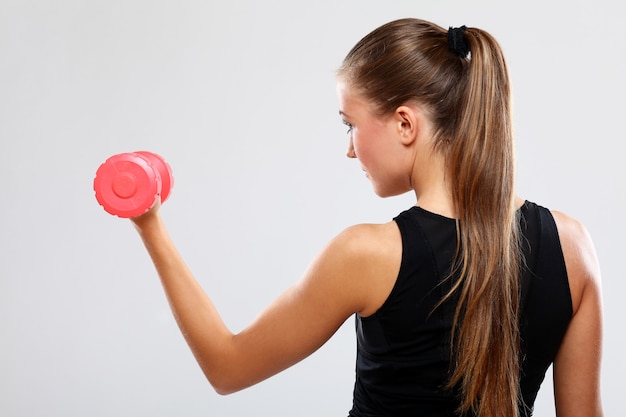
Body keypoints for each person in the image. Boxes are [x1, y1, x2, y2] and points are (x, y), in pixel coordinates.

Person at [129, 18, 603, 417]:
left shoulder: (369, 255)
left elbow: (227, 367)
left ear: (404, 123)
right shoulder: (572, 246)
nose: (350, 147)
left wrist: (150, 224)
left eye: (350, 123)